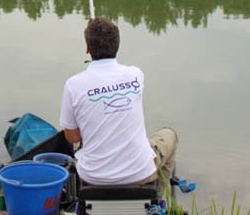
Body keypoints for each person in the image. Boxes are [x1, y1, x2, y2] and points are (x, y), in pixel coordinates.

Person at [59, 17, 177, 195]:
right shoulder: (136, 75)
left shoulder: (73, 85)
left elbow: (72, 138)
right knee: (169, 135)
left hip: (93, 176)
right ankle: (158, 198)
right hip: (140, 172)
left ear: (87, 48)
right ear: (117, 45)